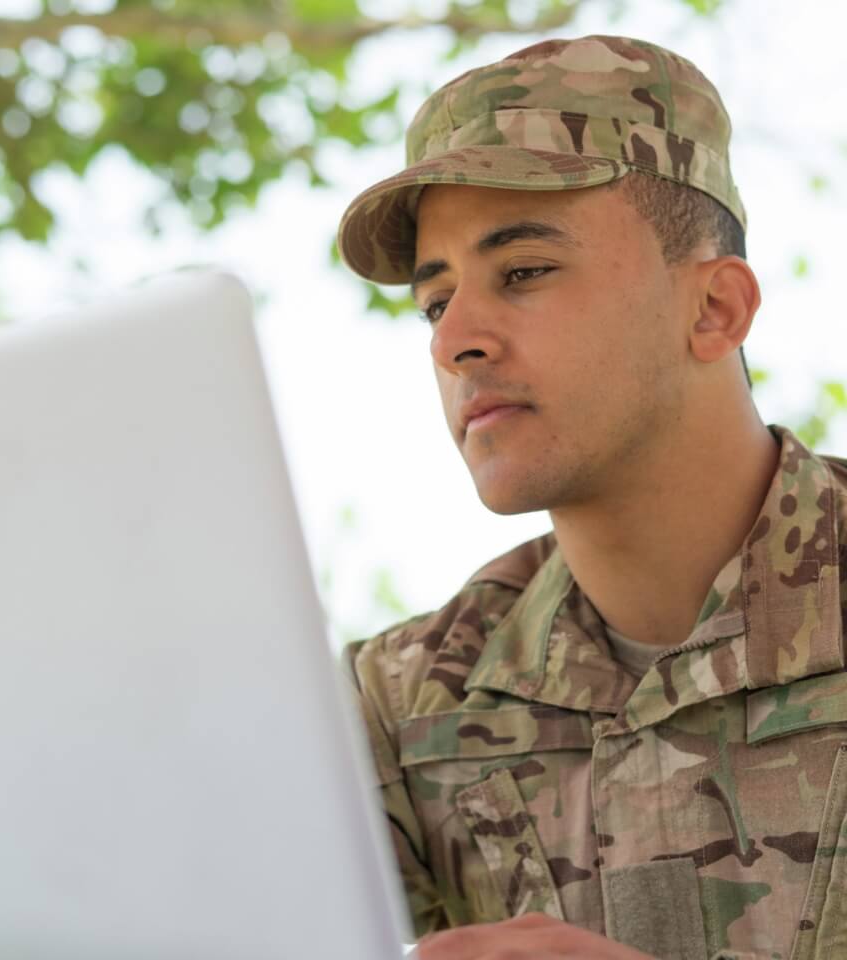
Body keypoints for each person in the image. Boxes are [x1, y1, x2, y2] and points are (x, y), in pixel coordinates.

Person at [336, 35, 847, 960]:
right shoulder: (399, 709)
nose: (455, 342)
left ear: (715, 309)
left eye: (523, 271)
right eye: (433, 301)